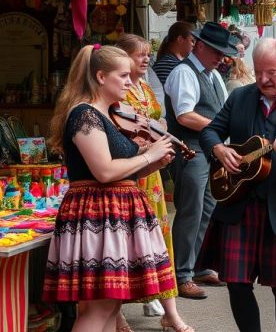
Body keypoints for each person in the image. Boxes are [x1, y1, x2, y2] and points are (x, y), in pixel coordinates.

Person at [43, 45, 177, 330]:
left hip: (110, 214)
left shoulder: (108, 116)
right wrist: (148, 155)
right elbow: (104, 171)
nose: (131, 82)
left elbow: (121, 173)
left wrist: (153, 163)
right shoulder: (85, 115)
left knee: (109, 306)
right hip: (98, 214)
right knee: (99, 308)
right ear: (101, 76)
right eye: (123, 75)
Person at [197, 39, 276, 332]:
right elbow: (211, 132)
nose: (263, 80)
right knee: (236, 283)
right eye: (258, 73)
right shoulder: (240, 97)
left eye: (270, 73)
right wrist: (219, 149)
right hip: (239, 205)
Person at [113, 34, 194, 328]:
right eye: (140, 55)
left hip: (153, 172)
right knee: (126, 241)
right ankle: (118, 308)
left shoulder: (145, 86)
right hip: (132, 167)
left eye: (148, 54)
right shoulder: (117, 90)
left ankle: (163, 304)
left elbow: (159, 121)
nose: (147, 60)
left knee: (158, 238)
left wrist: (161, 137)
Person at [164, 23, 239, 299]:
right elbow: (185, 116)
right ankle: (182, 274)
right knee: (190, 211)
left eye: (224, 53)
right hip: (191, 150)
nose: (222, 58)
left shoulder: (212, 75)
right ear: (200, 45)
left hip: (208, 149)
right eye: (218, 51)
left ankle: (198, 265)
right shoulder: (185, 72)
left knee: (209, 208)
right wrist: (220, 128)